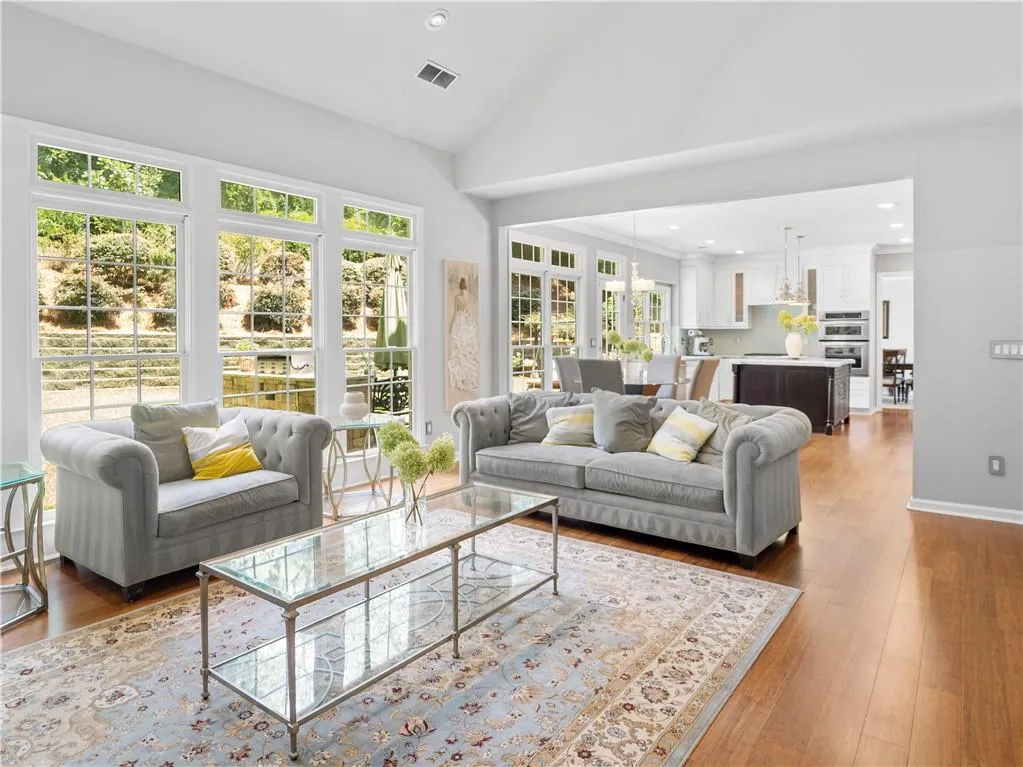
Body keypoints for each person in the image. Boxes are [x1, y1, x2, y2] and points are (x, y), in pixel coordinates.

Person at [447, 275, 480, 395]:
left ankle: (462, 380)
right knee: (467, 349)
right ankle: (468, 379)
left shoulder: (457, 297)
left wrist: (451, 325)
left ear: (459, 286)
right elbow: (469, 311)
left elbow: (455, 312)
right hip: (467, 321)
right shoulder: (469, 297)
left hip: (460, 320)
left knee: (459, 348)